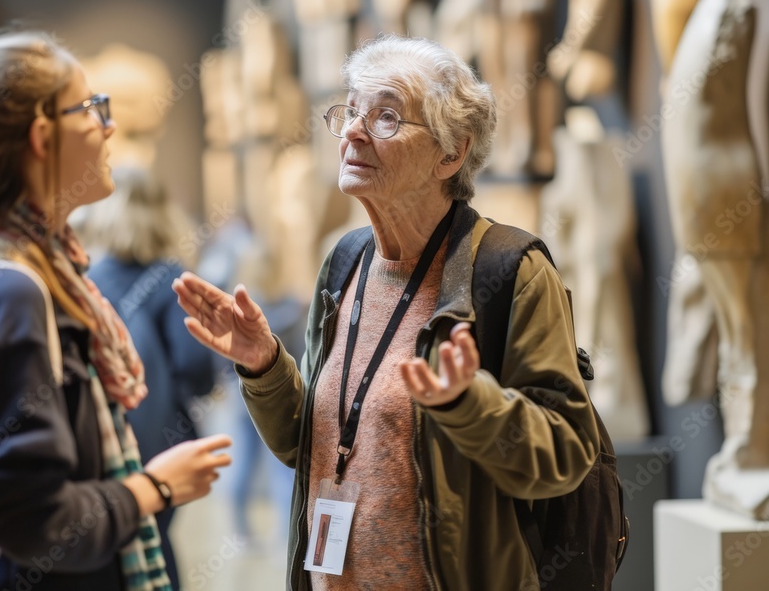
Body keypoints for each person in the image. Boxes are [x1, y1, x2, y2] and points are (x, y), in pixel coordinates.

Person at [173, 34, 601, 590]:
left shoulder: (509, 271)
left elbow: (566, 452)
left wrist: (469, 405)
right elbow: (312, 445)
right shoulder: (344, 261)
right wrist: (264, 366)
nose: (353, 130)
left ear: (451, 153)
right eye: (351, 111)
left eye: (387, 117)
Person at [0, 29, 231, 591]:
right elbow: (34, 520)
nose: (110, 125)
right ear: (41, 137)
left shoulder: (32, 271)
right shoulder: (9, 292)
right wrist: (157, 488)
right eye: (91, 108)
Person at [79, 166, 219, 589]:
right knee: (154, 541)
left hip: (97, 443)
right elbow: (197, 368)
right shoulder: (170, 279)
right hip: (161, 446)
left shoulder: (86, 278)